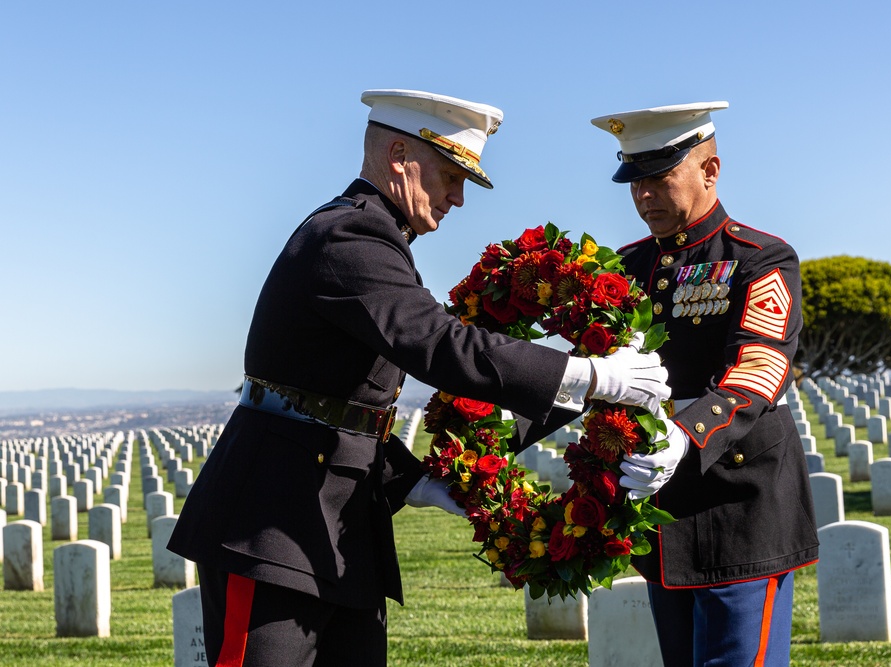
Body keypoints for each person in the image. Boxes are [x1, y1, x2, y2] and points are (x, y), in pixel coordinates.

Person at [168, 89, 672, 667]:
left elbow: (340, 406)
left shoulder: (382, 242)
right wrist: (591, 376)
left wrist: (411, 481)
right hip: (270, 526)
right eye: (451, 176)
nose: (458, 198)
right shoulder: (348, 237)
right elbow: (438, 345)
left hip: (338, 532)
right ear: (401, 155)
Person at [592, 102, 820, 666]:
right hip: (665, 510)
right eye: (634, 181)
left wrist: (684, 435)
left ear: (709, 171)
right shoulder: (627, 267)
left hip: (739, 503)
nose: (644, 196)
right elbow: (593, 371)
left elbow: (760, 366)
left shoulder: (759, 257)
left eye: (659, 178)